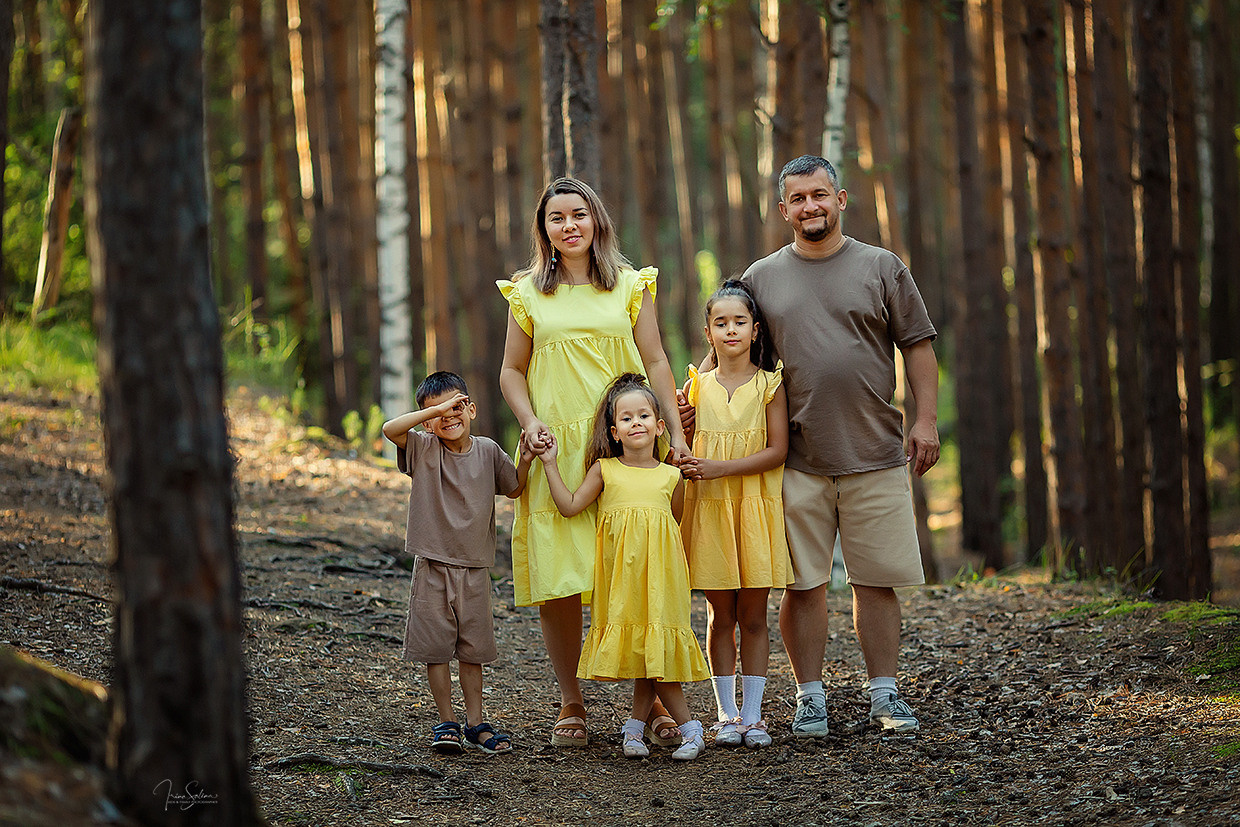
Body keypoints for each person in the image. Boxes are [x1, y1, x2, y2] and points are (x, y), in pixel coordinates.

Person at [685, 155, 940, 736]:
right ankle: (810, 696)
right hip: (795, 458)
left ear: (841, 198)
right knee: (803, 585)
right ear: (783, 210)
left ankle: (885, 693)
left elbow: (918, 346)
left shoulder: (882, 267)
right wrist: (688, 401)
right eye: (798, 199)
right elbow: (729, 345)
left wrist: (925, 422)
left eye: (820, 195)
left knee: (876, 580)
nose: (811, 207)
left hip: (875, 450)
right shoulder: (762, 277)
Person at [497, 178, 688, 748]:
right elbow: (510, 371)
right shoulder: (528, 293)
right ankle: (571, 702)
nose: (570, 225)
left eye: (579, 214)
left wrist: (672, 433)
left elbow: (654, 359)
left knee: (632, 569)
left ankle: (649, 699)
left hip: (624, 444)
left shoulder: (630, 286)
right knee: (560, 576)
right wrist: (529, 422)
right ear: (545, 231)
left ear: (597, 221)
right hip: (556, 442)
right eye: (557, 218)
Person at [537, 373, 710, 760]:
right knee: (641, 649)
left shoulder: (671, 476)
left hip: (662, 579)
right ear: (614, 431)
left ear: (659, 426)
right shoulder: (605, 470)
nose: (637, 424)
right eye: (627, 419)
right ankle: (635, 729)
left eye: (644, 416)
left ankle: (690, 729)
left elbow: (674, 521)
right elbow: (569, 505)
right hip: (623, 581)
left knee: (656, 650)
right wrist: (549, 462)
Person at [382, 371, 532, 755]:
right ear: (426, 422)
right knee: (436, 649)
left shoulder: (488, 450)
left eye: (457, 406)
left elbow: (514, 486)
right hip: (432, 564)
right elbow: (389, 429)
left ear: (472, 409)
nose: (449, 416)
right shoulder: (423, 448)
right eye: (437, 413)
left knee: (472, 650)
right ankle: (446, 720)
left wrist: (527, 457)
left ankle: (475, 722)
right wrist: (431, 414)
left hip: (474, 568)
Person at [678, 279, 791, 749]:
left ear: (755, 329)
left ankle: (753, 714)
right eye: (720, 323)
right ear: (708, 332)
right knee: (718, 614)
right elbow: (679, 448)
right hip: (710, 512)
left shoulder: (770, 384)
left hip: (755, 510)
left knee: (754, 616)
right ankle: (725, 714)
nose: (730, 331)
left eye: (739, 322)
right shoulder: (696, 388)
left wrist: (720, 467)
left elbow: (778, 450)